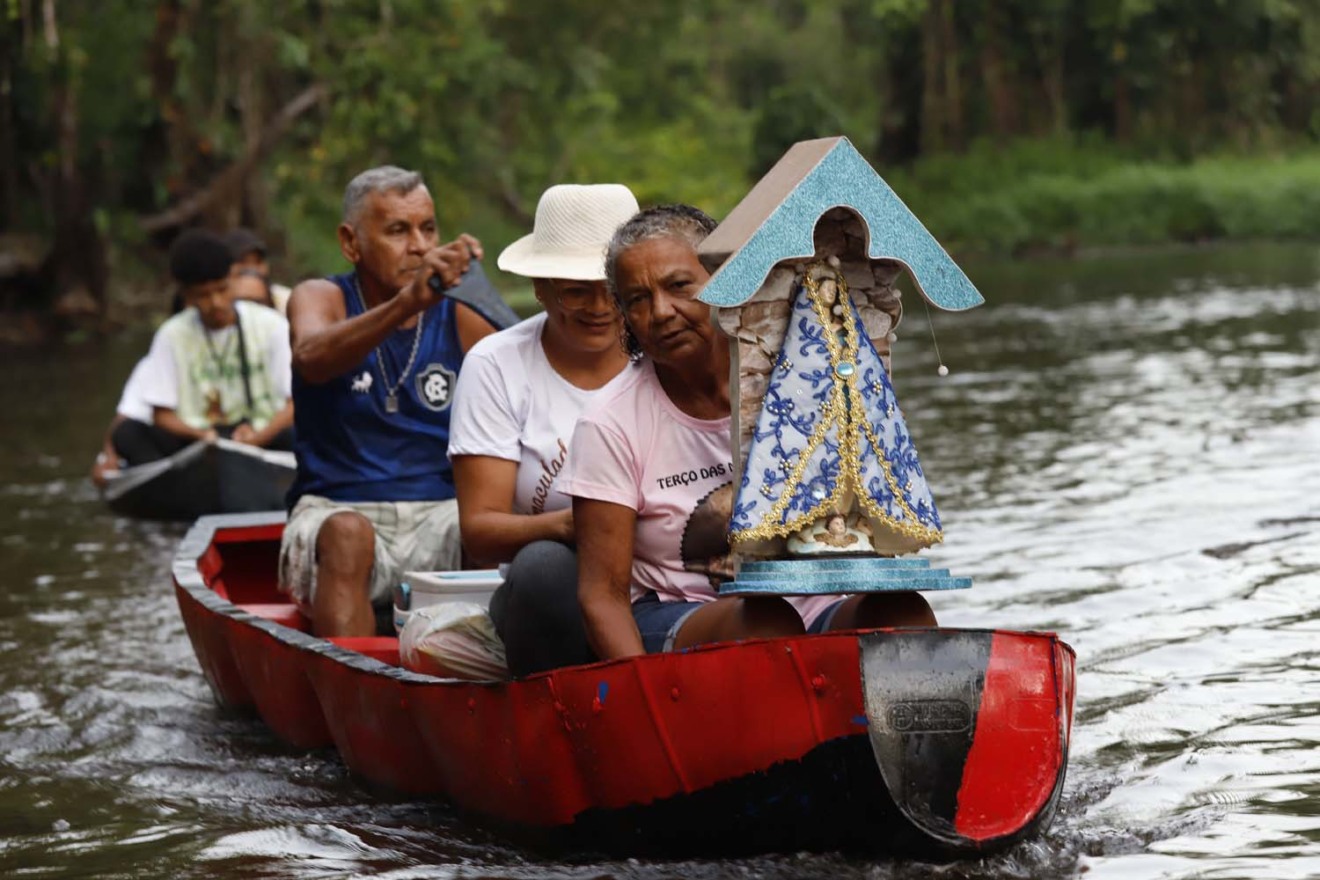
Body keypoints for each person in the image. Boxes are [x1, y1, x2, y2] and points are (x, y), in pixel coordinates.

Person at [559, 206, 936, 660]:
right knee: (765, 624)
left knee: (905, 614)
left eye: (679, 286)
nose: (660, 312)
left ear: (728, 284)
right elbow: (602, 597)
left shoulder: (801, 378)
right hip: (684, 612)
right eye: (637, 299)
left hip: (806, 608)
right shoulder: (609, 423)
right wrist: (643, 692)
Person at [279, 165, 501, 638]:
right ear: (350, 242)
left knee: (492, 529)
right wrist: (407, 303)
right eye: (398, 231)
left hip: (441, 508)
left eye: (428, 229)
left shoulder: (460, 313)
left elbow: (529, 371)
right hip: (337, 508)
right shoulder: (320, 296)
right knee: (347, 534)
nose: (419, 246)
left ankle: (476, 665)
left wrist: (482, 290)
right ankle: (352, 679)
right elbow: (310, 358)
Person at [448, 183, 639, 676]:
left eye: (613, 287)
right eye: (576, 291)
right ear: (540, 288)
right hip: (558, 597)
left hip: (666, 577)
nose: (600, 306)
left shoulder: (669, 351)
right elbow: (481, 530)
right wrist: (586, 523)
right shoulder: (497, 364)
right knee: (543, 567)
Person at [118, 229, 294, 466]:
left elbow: (295, 402)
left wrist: (258, 437)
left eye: (222, 289)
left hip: (260, 433)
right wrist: (202, 435)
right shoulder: (172, 335)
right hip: (199, 439)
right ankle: (179, 481)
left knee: (309, 429)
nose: (216, 303)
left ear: (233, 278)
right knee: (127, 434)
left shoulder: (271, 325)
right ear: (186, 295)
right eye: (203, 295)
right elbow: (161, 414)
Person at [226, 228, 293, 314]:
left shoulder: (286, 300)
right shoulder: (217, 304)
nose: (251, 268)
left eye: (257, 262)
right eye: (242, 262)